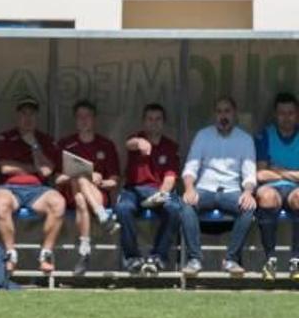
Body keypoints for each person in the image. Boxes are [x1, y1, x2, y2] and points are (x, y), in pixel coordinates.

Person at [180, 96, 257, 277]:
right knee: (185, 205)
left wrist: (247, 192)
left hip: (231, 191)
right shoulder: (203, 135)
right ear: (215, 115)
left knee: (249, 208)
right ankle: (194, 259)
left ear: (234, 113)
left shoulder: (245, 139)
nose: (223, 116)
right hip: (205, 189)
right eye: (220, 111)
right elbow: (190, 168)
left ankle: (231, 259)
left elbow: (250, 173)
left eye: (227, 111)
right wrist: (189, 188)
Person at [0, 94, 66, 273]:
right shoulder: (5, 137)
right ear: (18, 116)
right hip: (10, 188)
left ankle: (46, 254)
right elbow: (5, 168)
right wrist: (35, 168)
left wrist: (34, 146)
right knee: (0, 204)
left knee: (58, 203)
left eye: (31, 114)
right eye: (24, 114)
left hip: (38, 189)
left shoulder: (45, 140)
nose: (27, 118)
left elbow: (47, 171)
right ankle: (10, 253)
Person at [113, 103, 182, 275]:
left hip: (158, 191)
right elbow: (129, 144)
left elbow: (170, 177)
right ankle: (132, 258)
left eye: (158, 119)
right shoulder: (136, 139)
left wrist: (162, 194)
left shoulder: (170, 146)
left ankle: (157, 257)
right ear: (144, 122)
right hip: (133, 191)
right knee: (122, 209)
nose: (154, 123)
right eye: (150, 119)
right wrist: (140, 141)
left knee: (174, 209)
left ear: (163, 122)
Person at [55, 99, 121, 276]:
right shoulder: (65, 144)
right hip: (71, 193)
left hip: (97, 194)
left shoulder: (106, 145)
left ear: (94, 119)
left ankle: (84, 251)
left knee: (82, 198)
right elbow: (57, 179)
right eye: (80, 117)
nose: (84, 120)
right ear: (75, 120)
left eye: (88, 116)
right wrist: (80, 173)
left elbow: (114, 180)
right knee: (80, 181)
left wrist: (100, 181)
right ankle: (103, 216)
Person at [255, 92, 299, 281]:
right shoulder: (265, 135)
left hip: (294, 190)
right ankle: (270, 259)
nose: (286, 118)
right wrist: (291, 173)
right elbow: (261, 174)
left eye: (290, 113)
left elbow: (269, 171)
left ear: (297, 114)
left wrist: (279, 170)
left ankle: (296, 259)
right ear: (275, 114)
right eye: (282, 113)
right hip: (272, 187)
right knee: (266, 198)